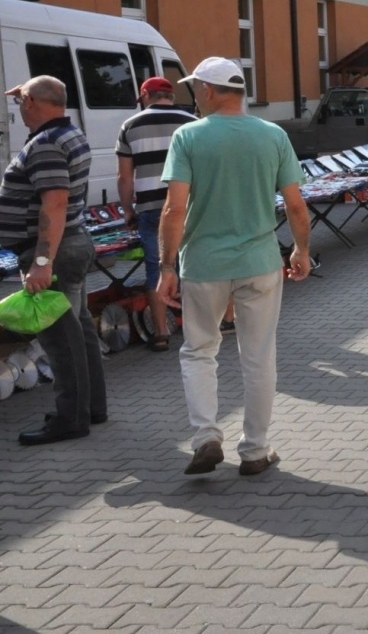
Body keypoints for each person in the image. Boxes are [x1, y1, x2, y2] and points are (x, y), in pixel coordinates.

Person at [157, 58, 312, 476]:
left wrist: (166, 267)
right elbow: (295, 204)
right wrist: (301, 250)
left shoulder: (188, 136)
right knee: (259, 356)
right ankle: (256, 450)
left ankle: (206, 436)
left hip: (204, 263)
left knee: (199, 351)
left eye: (195, 89)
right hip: (260, 261)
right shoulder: (273, 135)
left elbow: (174, 209)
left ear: (207, 90)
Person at [2, 77, 98, 446]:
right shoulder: (69, 133)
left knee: (61, 340)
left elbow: (53, 204)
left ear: (30, 102)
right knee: (80, 330)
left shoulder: (44, 144)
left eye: (21, 102)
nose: (19, 109)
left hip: (54, 251)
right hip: (73, 242)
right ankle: (93, 408)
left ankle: (71, 419)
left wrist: (42, 261)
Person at [115, 77, 196, 352]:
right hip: (187, 204)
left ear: (146, 95)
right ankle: (199, 328)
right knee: (194, 265)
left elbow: (125, 176)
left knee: (158, 268)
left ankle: (161, 333)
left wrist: (127, 209)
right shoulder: (191, 121)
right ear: (170, 96)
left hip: (151, 209)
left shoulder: (130, 125)